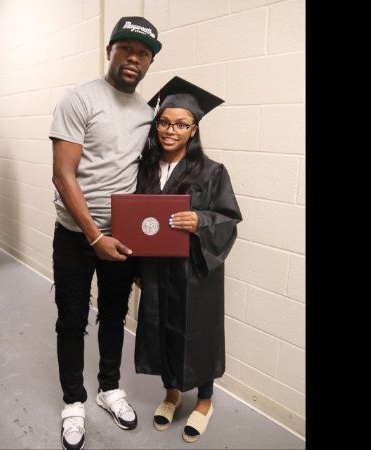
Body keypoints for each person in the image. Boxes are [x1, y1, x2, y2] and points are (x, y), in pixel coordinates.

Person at [48, 16, 162, 450]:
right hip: (77, 237)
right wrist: (95, 236)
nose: (134, 58)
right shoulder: (79, 99)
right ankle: (73, 401)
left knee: (114, 316)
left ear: (149, 62)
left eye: (144, 53)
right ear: (111, 50)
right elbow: (63, 175)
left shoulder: (147, 113)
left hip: (123, 237)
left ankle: (109, 388)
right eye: (127, 48)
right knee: (71, 320)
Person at [134, 76, 243, 443]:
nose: (170, 130)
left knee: (197, 332)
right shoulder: (145, 168)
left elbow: (228, 218)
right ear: (157, 124)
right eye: (164, 122)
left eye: (181, 124)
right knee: (162, 325)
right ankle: (171, 394)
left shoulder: (212, 172)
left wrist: (200, 221)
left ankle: (204, 401)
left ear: (194, 129)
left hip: (194, 272)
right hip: (156, 269)